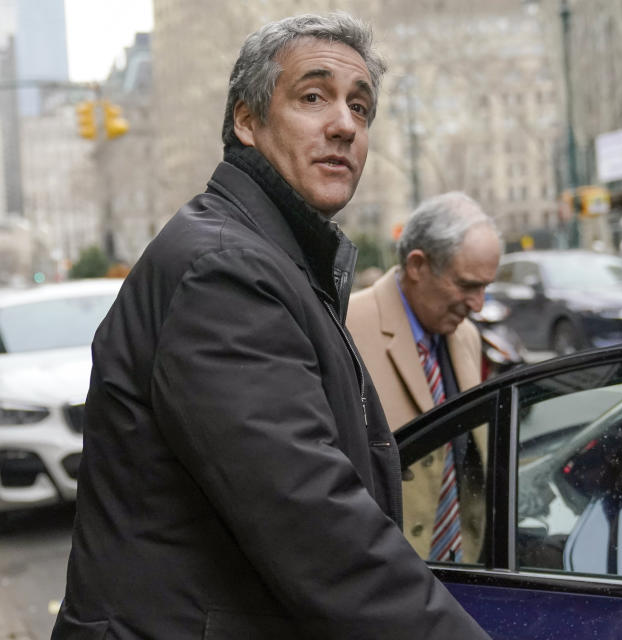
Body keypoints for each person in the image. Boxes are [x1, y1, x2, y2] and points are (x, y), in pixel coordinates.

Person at [52, 14, 489, 640]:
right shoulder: (225, 271)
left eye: (361, 108)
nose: (345, 124)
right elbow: (315, 526)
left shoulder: (272, 259)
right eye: (313, 97)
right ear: (246, 120)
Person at [347, 192, 501, 562]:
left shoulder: (464, 335)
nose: (478, 304)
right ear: (417, 265)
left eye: (485, 287)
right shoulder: (344, 327)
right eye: (467, 286)